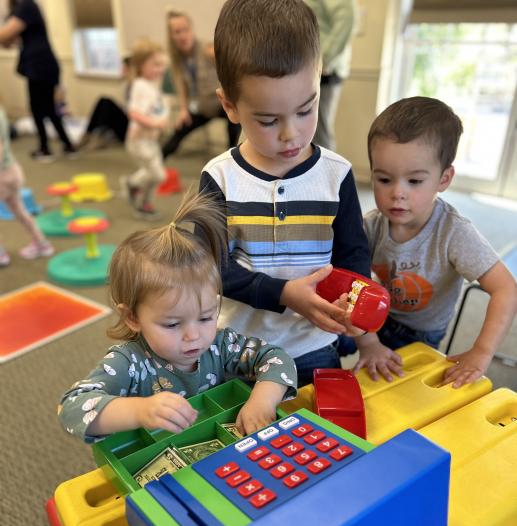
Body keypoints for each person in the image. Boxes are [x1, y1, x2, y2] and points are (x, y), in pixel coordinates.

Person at [199, 0, 371, 387]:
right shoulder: (220, 178)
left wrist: (353, 298)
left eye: (306, 109)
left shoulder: (336, 175)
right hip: (240, 351)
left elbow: (353, 253)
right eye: (269, 120)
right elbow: (209, 271)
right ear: (230, 106)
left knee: (322, 438)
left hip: (313, 345)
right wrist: (283, 293)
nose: (291, 133)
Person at [57, 192, 297, 443]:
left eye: (205, 318)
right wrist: (140, 411)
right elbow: (70, 407)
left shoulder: (220, 345)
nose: (194, 336)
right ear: (132, 317)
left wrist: (262, 401)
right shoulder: (129, 362)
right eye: (172, 324)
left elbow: (276, 358)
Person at [346, 96, 517, 387]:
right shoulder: (372, 224)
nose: (397, 193)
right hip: (375, 316)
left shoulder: (454, 232)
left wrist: (481, 351)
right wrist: (368, 341)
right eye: (384, 179)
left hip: (419, 333)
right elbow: (352, 283)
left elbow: (506, 289)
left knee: (398, 394)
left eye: (414, 181)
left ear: (444, 178)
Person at [0, 0, 76, 162]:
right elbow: (8, 41)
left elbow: (5, 35)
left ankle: (46, 148)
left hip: (41, 66)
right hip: (39, 65)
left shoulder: (27, 6)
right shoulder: (21, 9)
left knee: (39, 108)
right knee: (47, 108)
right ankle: (66, 145)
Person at [161, 10, 240, 162]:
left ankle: (232, 160)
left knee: (234, 122)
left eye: (185, 30)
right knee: (179, 130)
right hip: (203, 108)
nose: (182, 35)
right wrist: (184, 110)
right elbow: (181, 86)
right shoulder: (177, 59)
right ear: (171, 36)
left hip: (219, 103)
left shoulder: (206, 49)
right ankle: (155, 164)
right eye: (177, 32)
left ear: (191, 30)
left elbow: (231, 65)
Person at [0, 104, 54, 265]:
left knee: (19, 209)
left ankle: (1, 255)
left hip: (2, 175)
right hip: (12, 171)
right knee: (20, 210)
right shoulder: (2, 112)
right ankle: (42, 243)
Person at [124, 39, 169, 220]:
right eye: (155, 65)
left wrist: (162, 119)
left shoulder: (153, 85)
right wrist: (155, 124)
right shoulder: (139, 85)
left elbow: (156, 108)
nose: (160, 69)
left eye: (162, 65)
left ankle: (144, 203)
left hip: (150, 140)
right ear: (141, 65)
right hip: (139, 140)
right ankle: (131, 183)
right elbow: (134, 113)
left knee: (157, 175)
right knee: (157, 174)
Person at [304, 0, 357, 151]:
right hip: (303, 66)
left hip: (323, 70)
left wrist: (323, 59)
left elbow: (347, 19)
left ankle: (330, 174)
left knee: (319, 134)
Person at [76, 56, 131, 151]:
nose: (122, 70)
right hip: (128, 120)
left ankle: (99, 135)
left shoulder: (139, 86)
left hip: (132, 130)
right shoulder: (128, 84)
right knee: (103, 100)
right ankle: (88, 134)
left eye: (125, 68)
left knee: (107, 103)